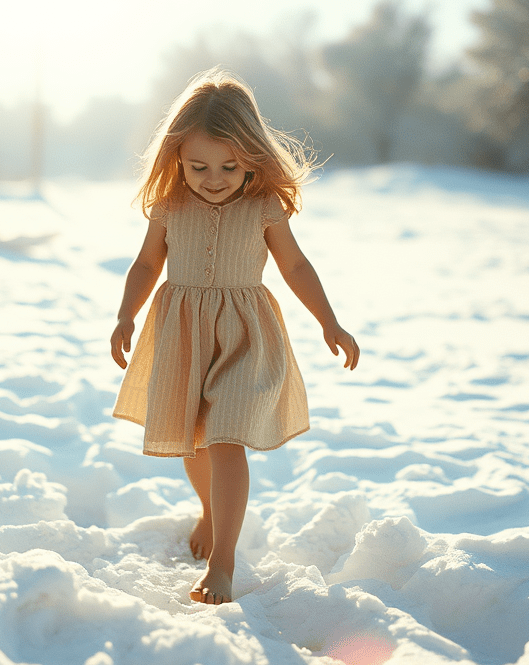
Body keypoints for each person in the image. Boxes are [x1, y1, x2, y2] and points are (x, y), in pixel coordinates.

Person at [110, 68, 359, 606]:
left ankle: (222, 565)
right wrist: (126, 315)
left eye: (230, 165)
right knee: (192, 437)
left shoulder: (263, 206)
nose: (215, 177)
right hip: (181, 331)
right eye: (199, 165)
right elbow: (147, 262)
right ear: (176, 157)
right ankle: (208, 506)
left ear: (253, 157)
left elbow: (295, 266)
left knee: (225, 437)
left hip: (246, 335)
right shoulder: (171, 205)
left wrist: (328, 320)